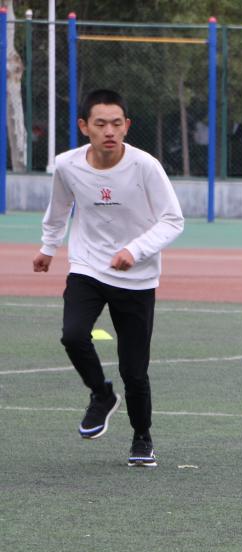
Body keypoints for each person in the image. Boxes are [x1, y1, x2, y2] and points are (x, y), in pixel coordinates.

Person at [33, 89, 184, 467]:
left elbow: (173, 220)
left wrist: (135, 250)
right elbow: (59, 210)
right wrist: (49, 247)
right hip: (88, 267)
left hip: (137, 278)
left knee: (134, 371)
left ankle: (142, 437)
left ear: (127, 125)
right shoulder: (67, 165)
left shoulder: (145, 166)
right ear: (84, 126)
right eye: (100, 124)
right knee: (72, 335)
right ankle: (101, 394)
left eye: (116, 123)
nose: (109, 131)